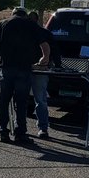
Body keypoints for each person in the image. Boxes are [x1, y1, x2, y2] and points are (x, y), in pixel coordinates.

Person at [0, 6, 50, 144]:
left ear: (13, 14)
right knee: (21, 102)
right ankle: (20, 133)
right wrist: (44, 58)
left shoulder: (3, 23)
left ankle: (3, 132)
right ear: (25, 15)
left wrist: (1, 59)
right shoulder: (31, 25)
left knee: (4, 100)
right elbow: (45, 45)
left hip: (6, 68)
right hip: (24, 69)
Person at [28, 11, 56, 140]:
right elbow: (54, 52)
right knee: (40, 100)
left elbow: (48, 50)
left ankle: (20, 128)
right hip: (40, 70)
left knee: (22, 99)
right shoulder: (45, 32)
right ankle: (43, 128)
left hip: (28, 69)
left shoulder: (27, 32)